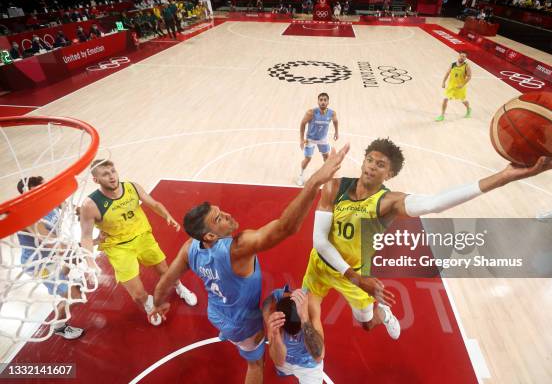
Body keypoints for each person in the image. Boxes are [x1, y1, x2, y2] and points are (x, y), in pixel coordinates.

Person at [304, 138, 552, 341]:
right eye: (370, 160)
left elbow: (435, 203)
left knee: (366, 325)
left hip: (357, 273)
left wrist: (502, 177)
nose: (372, 167)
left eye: (381, 165)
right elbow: (320, 241)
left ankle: (382, 313)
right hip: (326, 265)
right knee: (305, 314)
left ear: (390, 174)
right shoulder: (335, 186)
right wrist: (353, 276)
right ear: (363, 161)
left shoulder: (388, 202)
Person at [150, 145, 349, 384]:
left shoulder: (189, 247)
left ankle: (231, 334)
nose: (226, 215)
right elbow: (286, 227)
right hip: (242, 322)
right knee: (255, 364)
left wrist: (159, 303)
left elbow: (166, 282)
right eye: (218, 219)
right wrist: (315, 181)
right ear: (210, 236)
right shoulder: (237, 249)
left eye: (220, 210)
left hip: (217, 311)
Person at [79, 160, 197, 326]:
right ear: (96, 180)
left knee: (166, 272)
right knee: (137, 294)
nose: (112, 176)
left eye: (113, 171)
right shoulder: (90, 205)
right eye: (105, 174)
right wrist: (90, 262)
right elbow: (85, 236)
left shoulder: (132, 187)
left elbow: (154, 203)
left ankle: (179, 288)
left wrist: (167, 216)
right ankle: (150, 306)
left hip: (143, 238)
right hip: (118, 248)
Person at [16, 176, 85, 339]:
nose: (46, 189)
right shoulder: (28, 216)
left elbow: (74, 209)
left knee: (76, 258)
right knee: (75, 296)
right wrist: (75, 247)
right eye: (41, 187)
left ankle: (65, 280)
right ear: (28, 193)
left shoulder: (51, 201)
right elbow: (48, 240)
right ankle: (60, 326)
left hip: (52, 255)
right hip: (38, 264)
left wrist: (88, 212)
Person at [263, 286, 324, 384]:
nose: (293, 337)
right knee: (282, 371)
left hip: (308, 362)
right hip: (285, 359)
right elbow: (278, 360)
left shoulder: (311, 304)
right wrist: (276, 335)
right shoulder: (271, 310)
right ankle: (285, 371)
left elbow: (318, 356)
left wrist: (304, 319)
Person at [297, 93, 339, 186]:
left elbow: (335, 121)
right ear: (318, 101)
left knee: (326, 158)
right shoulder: (311, 112)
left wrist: (336, 132)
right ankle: (301, 175)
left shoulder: (332, 113)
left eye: (325, 100)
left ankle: (327, 177)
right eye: (321, 100)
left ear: (328, 102)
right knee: (307, 159)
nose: (323, 102)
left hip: (322, 139)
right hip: (310, 139)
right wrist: (301, 139)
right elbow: (302, 124)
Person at [436, 51, 472, 122]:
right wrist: (443, 82)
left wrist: (462, 84)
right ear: (458, 56)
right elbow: (447, 73)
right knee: (445, 99)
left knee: (463, 100)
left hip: (460, 87)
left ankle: (468, 109)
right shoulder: (453, 64)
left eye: (464, 56)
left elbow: (469, 76)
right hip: (451, 86)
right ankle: (442, 115)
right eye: (461, 56)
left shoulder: (466, 66)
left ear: (465, 58)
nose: (462, 57)